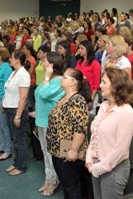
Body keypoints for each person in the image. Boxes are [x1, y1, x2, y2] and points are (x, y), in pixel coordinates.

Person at [86, 67, 133, 199]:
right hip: (97, 164)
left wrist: (98, 167)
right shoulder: (103, 106)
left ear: (116, 86)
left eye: (104, 82)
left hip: (114, 169)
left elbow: (120, 150)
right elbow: (95, 135)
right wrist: (89, 157)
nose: (100, 85)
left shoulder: (126, 112)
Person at [46, 68, 91, 198]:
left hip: (68, 152)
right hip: (58, 151)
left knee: (71, 187)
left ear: (72, 82)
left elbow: (80, 129)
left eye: (64, 77)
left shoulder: (78, 101)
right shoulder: (64, 97)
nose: (61, 78)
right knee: (68, 186)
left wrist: (74, 150)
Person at [34, 52, 65, 196]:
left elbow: (45, 94)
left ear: (52, 65)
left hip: (51, 122)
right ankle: (48, 178)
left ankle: (54, 181)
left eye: (45, 61)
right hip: (41, 120)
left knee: (51, 154)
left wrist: (46, 77)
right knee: (45, 152)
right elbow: (39, 94)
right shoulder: (49, 79)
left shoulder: (59, 81)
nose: (42, 63)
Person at [3, 50, 30, 176]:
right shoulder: (14, 72)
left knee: (19, 140)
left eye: (12, 57)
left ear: (17, 60)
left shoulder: (23, 75)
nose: (10, 59)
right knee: (14, 138)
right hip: (9, 108)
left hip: (16, 110)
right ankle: (16, 162)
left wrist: (18, 116)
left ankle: (22, 165)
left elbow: (23, 97)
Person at [76, 40, 101, 108]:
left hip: (89, 94)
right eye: (79, 48)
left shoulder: (95, 64)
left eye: (82, 48)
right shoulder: (79, 61)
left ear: (88, 50)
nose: (79, 50)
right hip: (79, 92)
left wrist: (91, 99)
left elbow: (96, 83)